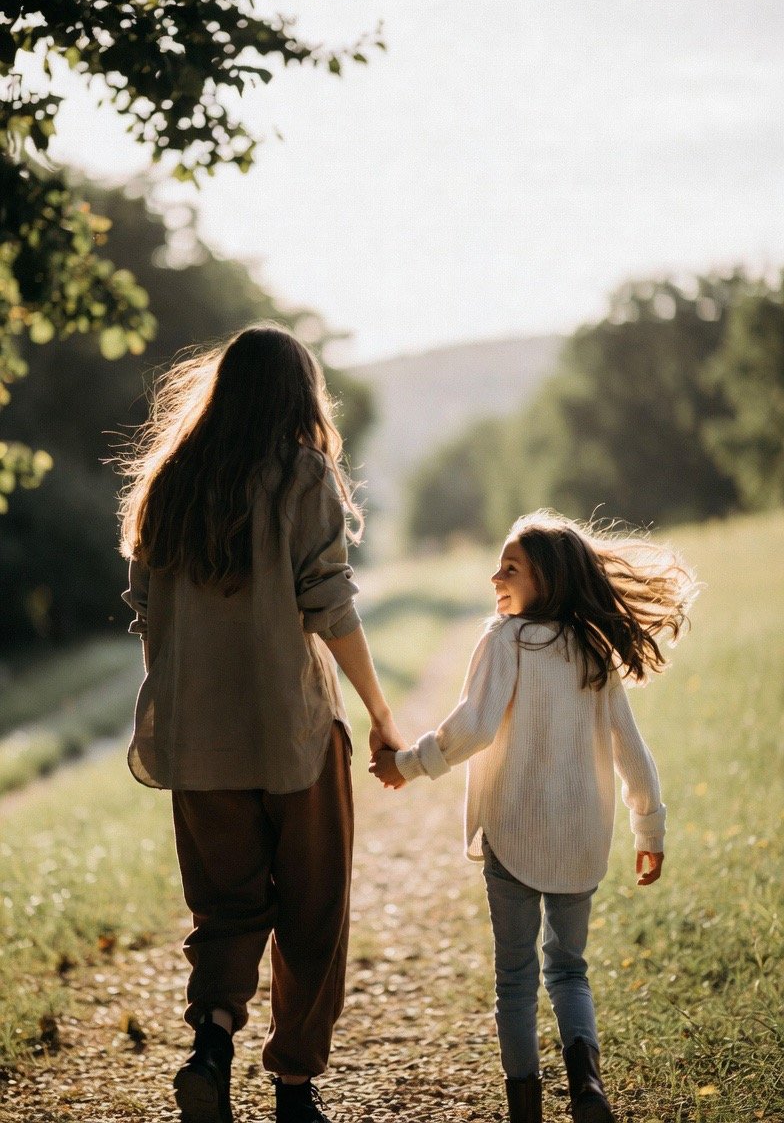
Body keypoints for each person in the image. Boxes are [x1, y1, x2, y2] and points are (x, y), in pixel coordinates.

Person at [119, 325, 405, 1123]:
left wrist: (180, 706)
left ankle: (211, 1047)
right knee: (314, 908)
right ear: (298, 395)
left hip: (199, 742)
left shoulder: (169, 481)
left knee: (226, 909)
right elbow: (330, 603)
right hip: (294, 734)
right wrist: (380, 713)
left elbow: (146, 612)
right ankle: (294, 1090)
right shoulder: (302, 475)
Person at [370, 509, 698, 1123]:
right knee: (570, 971)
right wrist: (649, 828)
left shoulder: (504, 641)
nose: (495, 577)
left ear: (546, 578)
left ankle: (525, 1108)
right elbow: (631, 750)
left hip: (512, 832)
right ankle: (587, 1089)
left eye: (511, 568)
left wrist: (407, 764)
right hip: (580, 839)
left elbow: (473, 728)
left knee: (516, 980)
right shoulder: (592, 650)